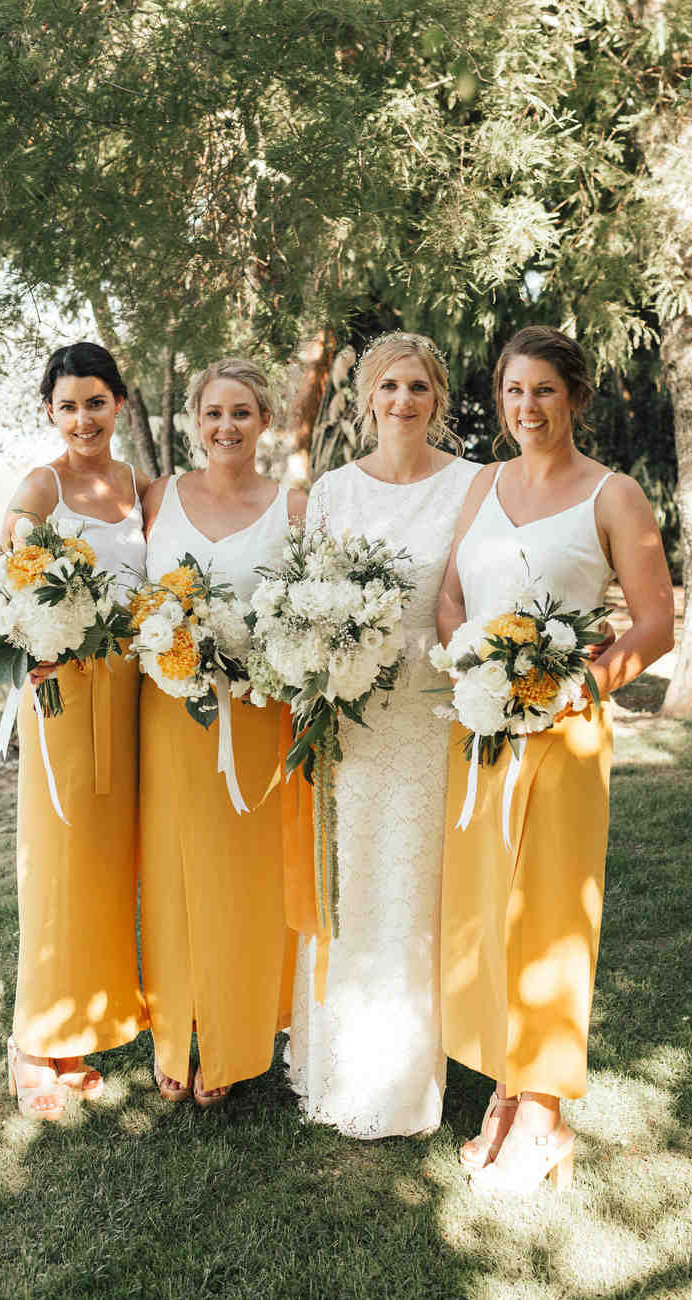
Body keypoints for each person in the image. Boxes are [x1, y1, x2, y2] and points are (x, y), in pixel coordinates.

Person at [436, 325, 675, 1194]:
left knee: (549, 916)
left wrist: (582, 685)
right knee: (487, 905)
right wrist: (471, 664)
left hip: (564, 732)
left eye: (543, 390)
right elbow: (455, 594)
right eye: (512, 391)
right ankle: (504, 1086)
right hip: (480, 729)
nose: (526, 407)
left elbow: (655, 624)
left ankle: (543, 1111)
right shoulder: (483, 486)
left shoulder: (613, 497)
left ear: (574, 396)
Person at [286, 332, 484, 1138]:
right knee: (352, 877)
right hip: (352, 715)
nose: (403, 402)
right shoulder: (333, 491)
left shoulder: (474, 486)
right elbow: (303, 599)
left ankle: (407, 1076)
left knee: (418, 883)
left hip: (431, 714)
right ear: (365, 399)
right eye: (389, 388)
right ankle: (335, 1057)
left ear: (438, 399)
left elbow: (474, 592)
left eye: (419, 388)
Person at [139, 357, 305, 1106]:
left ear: (264, 421)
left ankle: (237, 1043)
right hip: (169, 716)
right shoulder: (156, 497)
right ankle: (176, 1034)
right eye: (212, 412)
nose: (225, 426)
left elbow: (308, 616)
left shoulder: (293, 508)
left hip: (256, 714)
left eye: (241, 413)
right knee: (173, 879)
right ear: (194, 421)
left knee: (245, 882)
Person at [2, 341, 150, 1119]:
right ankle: (34, 1041)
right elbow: (12, 574)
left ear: (118, 403)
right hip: (63, 690)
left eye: (96, 401)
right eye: (68, 405)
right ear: (49, 413)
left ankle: (82, 1029)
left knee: (108, 858)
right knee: (58, 855)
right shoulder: (41, 486)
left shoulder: (141, 487)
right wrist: (39, 637)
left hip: (131, 691)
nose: (83, 418)